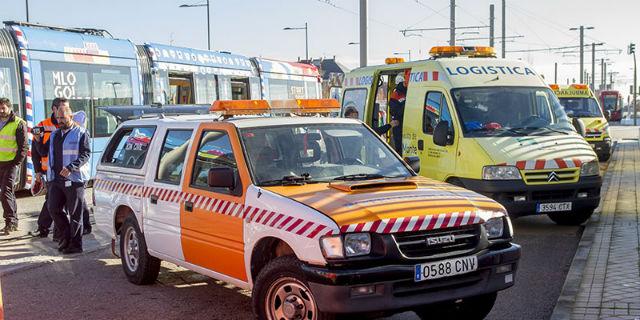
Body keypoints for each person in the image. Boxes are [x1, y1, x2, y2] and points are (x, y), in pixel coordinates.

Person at [30, 100, 92, 239]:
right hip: (55, 178)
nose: (59, 120)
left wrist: (71, 167)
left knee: (75, 211)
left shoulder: (80, 132)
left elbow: (86, 154)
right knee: (54, 207)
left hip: (75, 178)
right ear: (54, 110)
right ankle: (63, 235)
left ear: (70, 116)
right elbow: (42, 152)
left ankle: (74, 242)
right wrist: (38, 139)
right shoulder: (55, 134)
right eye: (58, 118)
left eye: (63, 118)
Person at [0, 98, 28, 235]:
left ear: (9, 108)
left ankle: (10, 222)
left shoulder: (19, 123)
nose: (1, 111)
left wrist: (16, 163)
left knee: (5, 191)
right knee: (8, 192)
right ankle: (12, 221)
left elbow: (23, 147)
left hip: (10, 164)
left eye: (3, 108)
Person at [389, 73, 408, 154]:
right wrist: (404, 106)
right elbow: (393, 111)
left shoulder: (412, 91)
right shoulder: (396, 94)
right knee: (400, 151)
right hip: (399, 126)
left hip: (409, 125)